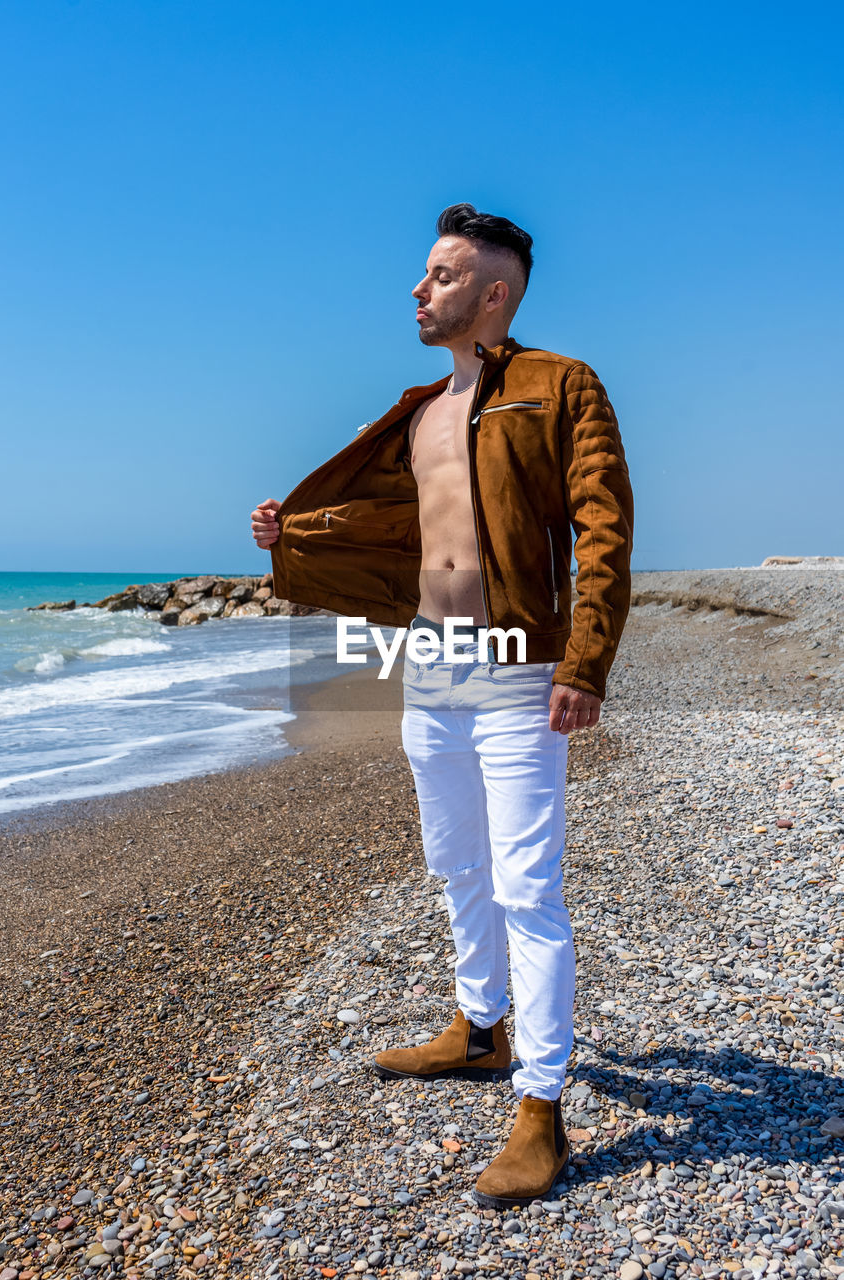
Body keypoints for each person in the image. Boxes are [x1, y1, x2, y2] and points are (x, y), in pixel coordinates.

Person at [251, 203, 634, 1208]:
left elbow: (603, 528)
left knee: (526, 885)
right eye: (424, 274)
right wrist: (294, 535)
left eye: (441, 274)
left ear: (492, 293)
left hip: (518, 665)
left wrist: (582, 664)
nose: (419, 289)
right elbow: (392, 527)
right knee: (452, 859)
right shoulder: (417, 409)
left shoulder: (560, 385)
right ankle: (477, 1026)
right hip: (434, 666)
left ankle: (542, 1104)